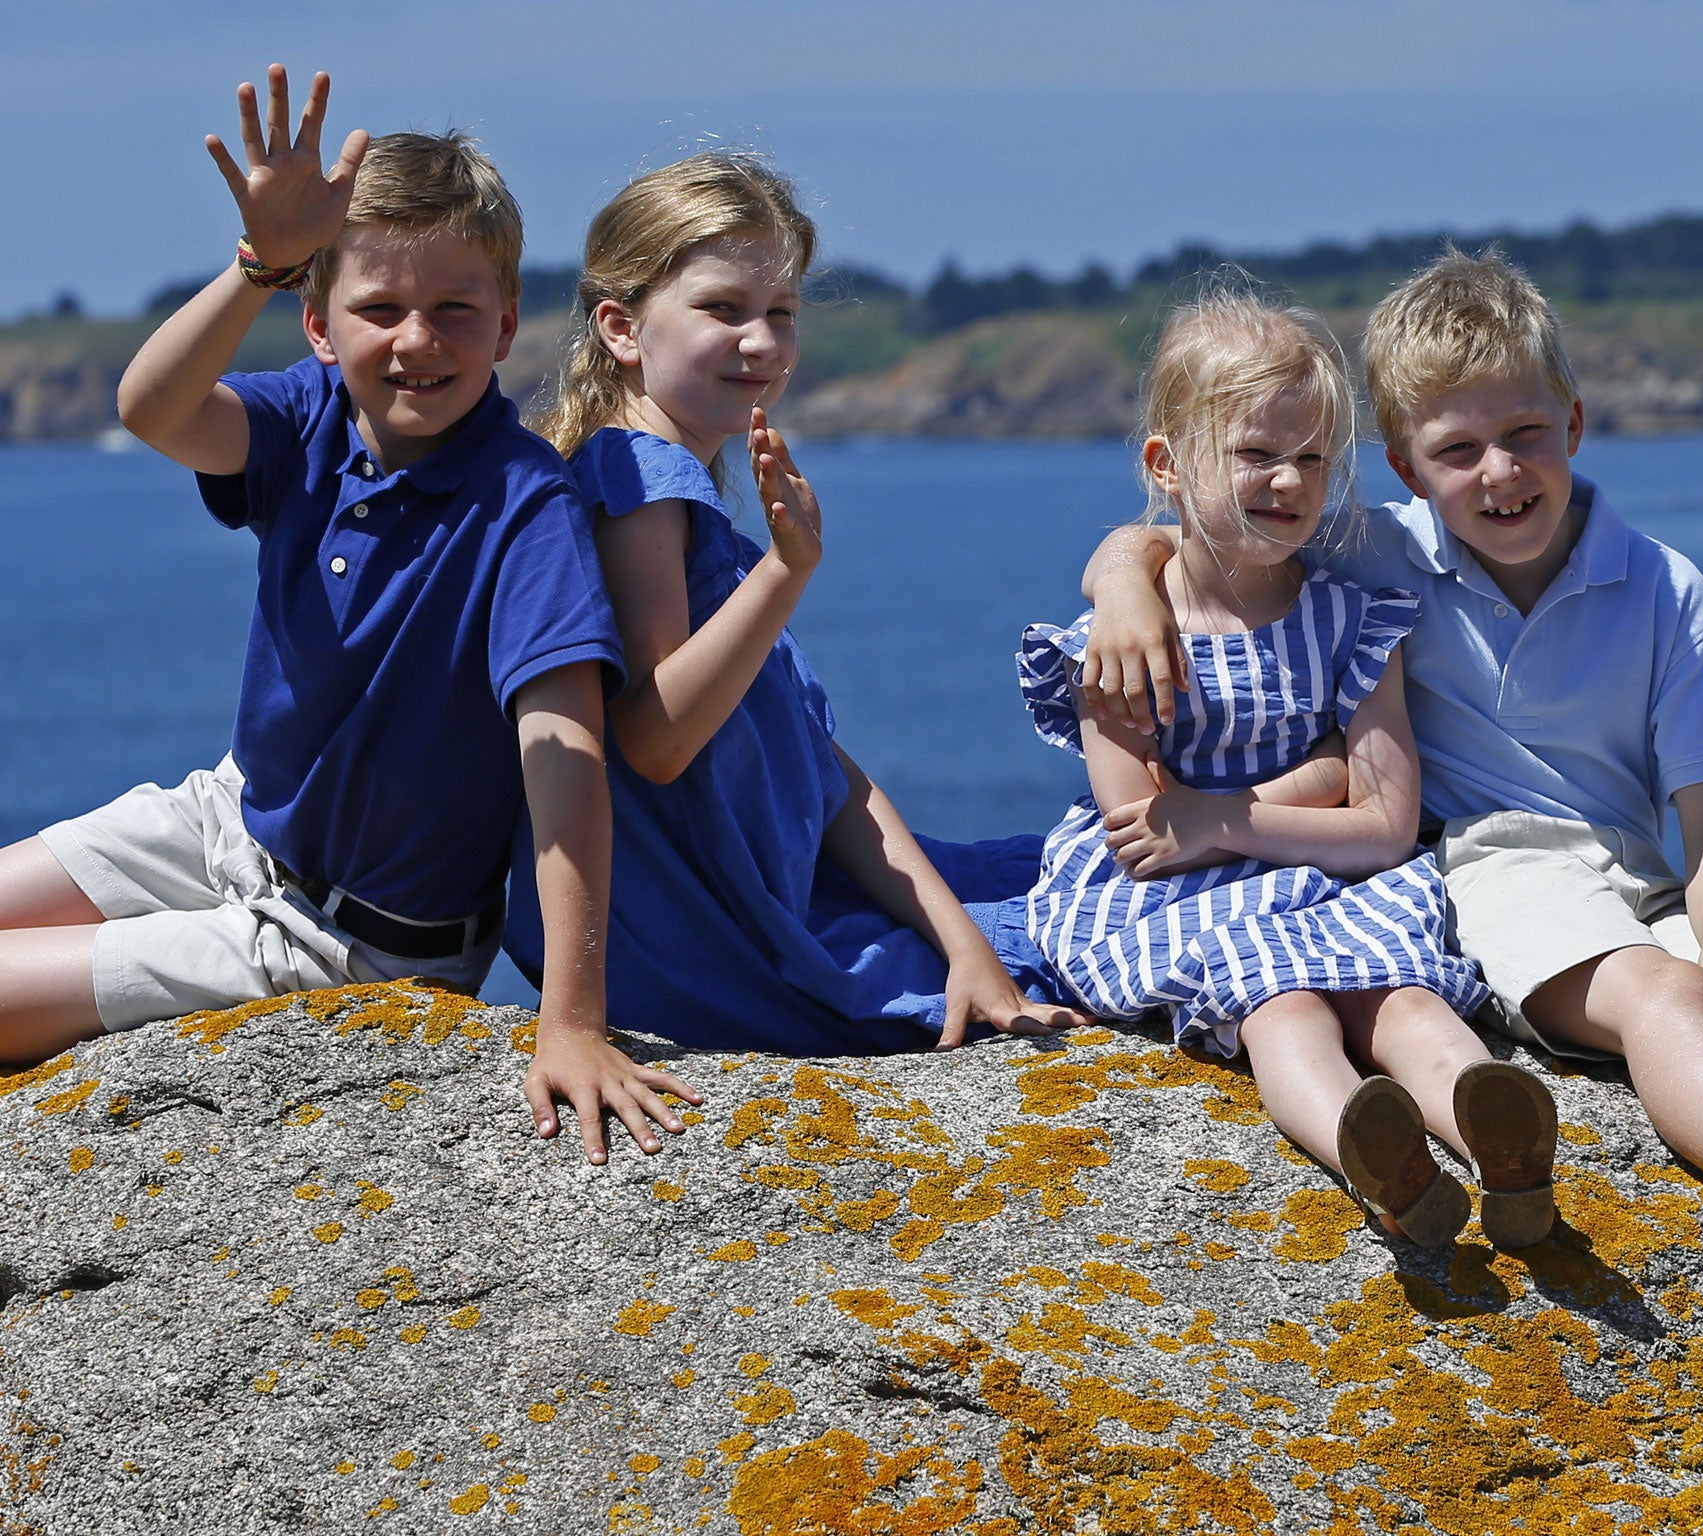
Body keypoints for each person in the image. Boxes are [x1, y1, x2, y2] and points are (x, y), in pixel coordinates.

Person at [1082, 248, 1703, 1350]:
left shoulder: (1660, 586)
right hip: (1497, 872)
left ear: (1573, 424)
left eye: (1524, 434)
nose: (1498, 472)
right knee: (1663, 1000)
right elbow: (1206, 519)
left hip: (1640, 877)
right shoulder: (1374, 550)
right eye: (1457, 451)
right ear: (1403, 466)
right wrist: (1119, 576)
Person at [0, 67, 696, 1166]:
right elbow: (153, 408)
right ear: (318, 324)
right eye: (379, 309)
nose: (417, 339)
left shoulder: (524, 508)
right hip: (235, 820)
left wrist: (570, 1018)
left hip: (350, 936)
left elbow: (565, 757)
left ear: (506, 323)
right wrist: (255, 267)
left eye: (454, 310)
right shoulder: (308, 414)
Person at [501, 154, 1085, 1054]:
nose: (764, 342)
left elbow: (818, 766)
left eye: (781, 312)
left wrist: (960, 943)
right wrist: (787, 568)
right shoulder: (642, 483)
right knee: (1127, 914)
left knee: (1082, 885)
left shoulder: (658, 476)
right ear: (622, 327)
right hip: (734, 941)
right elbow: (655, 738)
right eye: (723, 309)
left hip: (756, 902)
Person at [1019, 287, 1558, 1249]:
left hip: (1329, 877)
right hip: (1185, 903)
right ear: (1168, 466)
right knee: (1283, 1004)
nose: (1288, 482)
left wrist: (1227, 815)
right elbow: (1145, 831)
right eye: (1256, 456)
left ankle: (1487, 1121)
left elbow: (1389, 824)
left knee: (1402, 991)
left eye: (1312, 458)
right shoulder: (1123, 642)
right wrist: (1316, 776)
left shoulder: (1353, 621)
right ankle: (1373, 1153)